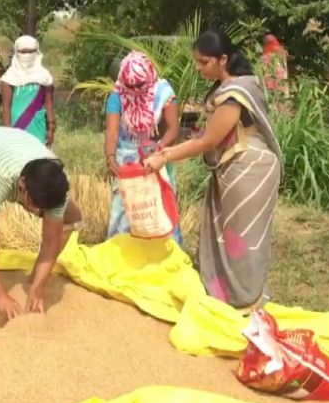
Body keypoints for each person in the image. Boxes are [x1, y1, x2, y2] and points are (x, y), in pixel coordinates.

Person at [144, 29, 282, 312]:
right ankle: (226, 298)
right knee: (227, 235)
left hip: (250, 172)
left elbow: (209, 140)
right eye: (196, 61)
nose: (198, 68)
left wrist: (166, 156)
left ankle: (246, 302)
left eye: (203, 62)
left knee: (243, 241)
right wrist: (169, 151)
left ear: (222, 59)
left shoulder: (235, 93)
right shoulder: (231, 87)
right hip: (233, 170)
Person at [0, 126, 83, 320]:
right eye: (35, 207)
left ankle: (31, 283)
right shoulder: (0, 173)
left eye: (43, 210)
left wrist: (38, 288)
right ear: (22, 186)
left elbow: (51, 242)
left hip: (18, 153)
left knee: (72, 218)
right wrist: (0, 294)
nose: (38, 213)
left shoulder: (58, 185)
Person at [104, 51, 183, 245]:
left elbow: (173, 128)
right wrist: (111, 158)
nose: (134, 90)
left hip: (156, 155)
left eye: (139, 85)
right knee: (125, 207)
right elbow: (112, 132)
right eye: (130, 86)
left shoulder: (164, 94)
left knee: (157, 205)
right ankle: (121, 252)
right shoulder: (118, 96)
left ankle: (165, 251)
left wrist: (158, 150)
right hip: (127, 158)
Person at [0, 35, 56, 146]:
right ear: (17, 53)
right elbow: (6, 107)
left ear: (37, 52)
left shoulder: (44, 76)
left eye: (31, 52)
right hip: (16, 127)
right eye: (23, 52)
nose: (27, 55)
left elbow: (48, 102)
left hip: (38, 125)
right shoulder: (9, 78)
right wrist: (7, 131)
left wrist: (51, 127)